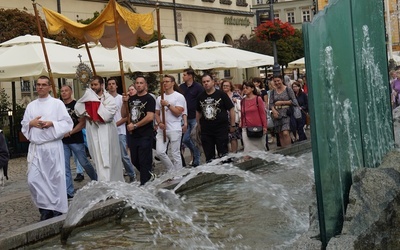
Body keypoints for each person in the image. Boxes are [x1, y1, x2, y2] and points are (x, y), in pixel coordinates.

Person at [21, 75, 73, 221]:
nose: (40, 87)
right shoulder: (31, 105)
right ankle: (44, 207)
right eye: (38, 85)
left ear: (50, 87)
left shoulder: (57, 104)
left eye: (44, 85)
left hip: (52, 147)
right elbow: (24, 125)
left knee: (54, 179)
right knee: (34, 180)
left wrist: (52, 124)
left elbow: (67, 123)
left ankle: (55, 209)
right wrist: (31, 123)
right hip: (36, 149)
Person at [75, 75, 124, 182]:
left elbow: (107, 116)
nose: (93, 87)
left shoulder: (109, 99)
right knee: (97, 157)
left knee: (108, 157)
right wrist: (89, 107)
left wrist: (93, 108)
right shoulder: (87, 97)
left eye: (95, 84)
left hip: (106, 131)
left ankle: (110, 182)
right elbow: (78, 109)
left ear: (101, 85)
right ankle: (103, 181)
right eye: (91, 85)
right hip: (93, 131)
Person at [61, 85, 97, 199]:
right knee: (64, 166)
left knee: (84, 162)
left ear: (71, 92)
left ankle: (96, 180)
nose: (64, 93)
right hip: (63, 141)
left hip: (75, 139)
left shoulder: (76, 105)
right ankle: (69, 191)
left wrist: (71, 132)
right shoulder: (59, 106)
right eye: (62, 91)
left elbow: (82, 123)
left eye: (66, 91)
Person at [122, 76, 156, 185]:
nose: (139, 85)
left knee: (143, 160)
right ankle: (149, 175)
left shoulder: (149, 98)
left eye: (141, 83)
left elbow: (150, 117)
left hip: (145, 134)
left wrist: (135, 125)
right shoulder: (131, 99)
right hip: (133, 135)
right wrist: (124, 103)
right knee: (134, 160)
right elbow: (124, 114)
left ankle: (144, 184)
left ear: (145, 85)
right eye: (137, 83)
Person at [196, 74, 235, 163]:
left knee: (223, 154)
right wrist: (198, 126)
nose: (206, 83)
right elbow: (198, 111)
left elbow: (231, 108)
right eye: (204, 82)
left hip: (220, 129)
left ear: (213, 82)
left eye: (208, 81)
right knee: (209, 156)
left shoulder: (221, 95)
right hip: (206, 130)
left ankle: (227, 172)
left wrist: (232, 124)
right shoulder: (200, 96)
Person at [107, 78, 136, 183]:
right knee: (112, 156)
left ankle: (131, 173)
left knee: (123, 155)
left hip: (120, 130)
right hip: (108, 131)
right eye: (109, 84)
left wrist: (116, 124)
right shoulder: (104, 99)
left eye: (113, 84)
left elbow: (126, 116)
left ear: (116, 86)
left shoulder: (121, 98)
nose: (111, 86)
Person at [155, 75, 187, 172]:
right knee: (160, 152)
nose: (165, 83)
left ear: (173, 83)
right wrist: (159, 122)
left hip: (174, 128)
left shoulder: (179, 96)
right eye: (163, 82)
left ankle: (179, 174)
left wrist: (168, 104)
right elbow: (156, 113)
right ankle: (171, 169)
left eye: (167, 81)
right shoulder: (159, 98)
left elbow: (178, 113)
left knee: (175, 153)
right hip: (162, 129)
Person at [179, 68, 203, 167]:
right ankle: (196, 152)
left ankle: (197, 161)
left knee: (194, 138)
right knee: (185, 139)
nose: (183, 76)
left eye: (184, 75)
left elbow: (201, 100)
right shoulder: (181, 87)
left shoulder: (198, 87)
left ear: (190, 76)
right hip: (184, 116)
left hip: (194, 116)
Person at [269, 75, 300, 147]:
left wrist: (282, 102)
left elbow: (295, 102)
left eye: (278, 81)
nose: (277, 83)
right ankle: (284, 151)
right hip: (277, 115)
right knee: (280, 134)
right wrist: (273, 110)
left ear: (282, 80)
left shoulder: (288, 89)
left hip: (286, 113)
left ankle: (289, 149)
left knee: (285, 133)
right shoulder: (273, 92)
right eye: (275, 81)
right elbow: (270, 104)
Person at [240, 81, 268, 153]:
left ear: (252, 88)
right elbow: (242, 114)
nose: (245, 90)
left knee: (260, 150)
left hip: (258, 127)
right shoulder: (242, 101)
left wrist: (264, 126)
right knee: (247, 150)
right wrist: (242, 124)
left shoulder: (258, 99)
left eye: (247, 88)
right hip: (246, 128)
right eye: (243, 88)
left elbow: (262, 113)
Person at [221, 79, 242, 153]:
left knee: (233, 137)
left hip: (234, 119)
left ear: (230, 87)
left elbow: (241, 104)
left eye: (227, 86)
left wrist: (236, 101)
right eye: (224, 86)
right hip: (223, 120)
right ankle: (227, 152)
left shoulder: (235, 95)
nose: (225, 87)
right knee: (224, 137)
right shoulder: (220, 95)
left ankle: (234, 152)